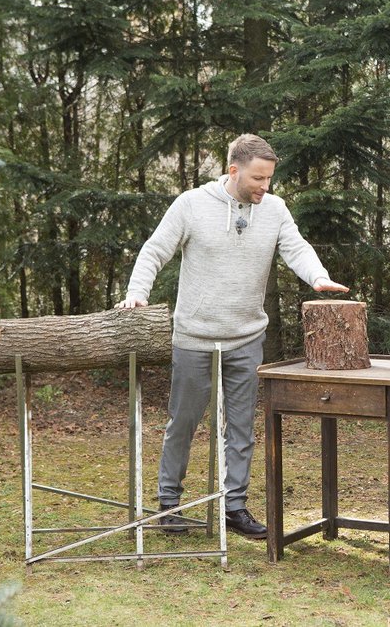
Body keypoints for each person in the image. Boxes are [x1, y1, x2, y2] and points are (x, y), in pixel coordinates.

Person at [116, 133, 348, 539]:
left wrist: (319, 276)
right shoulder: (191, 205)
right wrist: (137, 294)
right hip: (194, 337)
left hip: (246, 338)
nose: (265, 186)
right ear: (234, 170)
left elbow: (296, 247)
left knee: (240, 428)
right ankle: (169, 504)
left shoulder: (274, 209)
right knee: (183, 422)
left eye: (270, 178)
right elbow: (154, 251)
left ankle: (233, 506)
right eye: (258, 178)